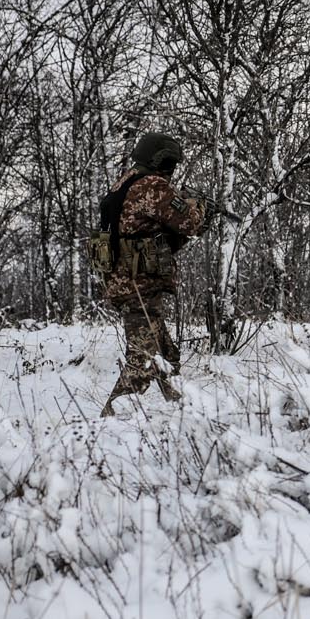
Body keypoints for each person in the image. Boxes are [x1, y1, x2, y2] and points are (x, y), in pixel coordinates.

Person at [96, 132, 207, 414]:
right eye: (170, 163)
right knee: (144, 360)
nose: (172, 169)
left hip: (128, 281)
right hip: (138, 285)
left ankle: (182, 413)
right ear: (161, 160)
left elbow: (153, 235)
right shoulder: (151, 186)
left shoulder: (126, 182)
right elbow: (189, 222)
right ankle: (108, 424)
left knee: (166, 355)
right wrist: (198, 205)